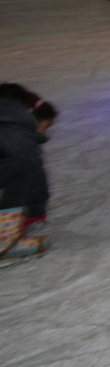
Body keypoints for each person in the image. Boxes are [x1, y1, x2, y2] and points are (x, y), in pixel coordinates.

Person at [0, 82, 57, 263]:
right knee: (23, 167)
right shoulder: (15, 132)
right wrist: (35, 212)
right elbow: (36, 175)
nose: (42, 137)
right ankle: (6, 239)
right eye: (44, 128)